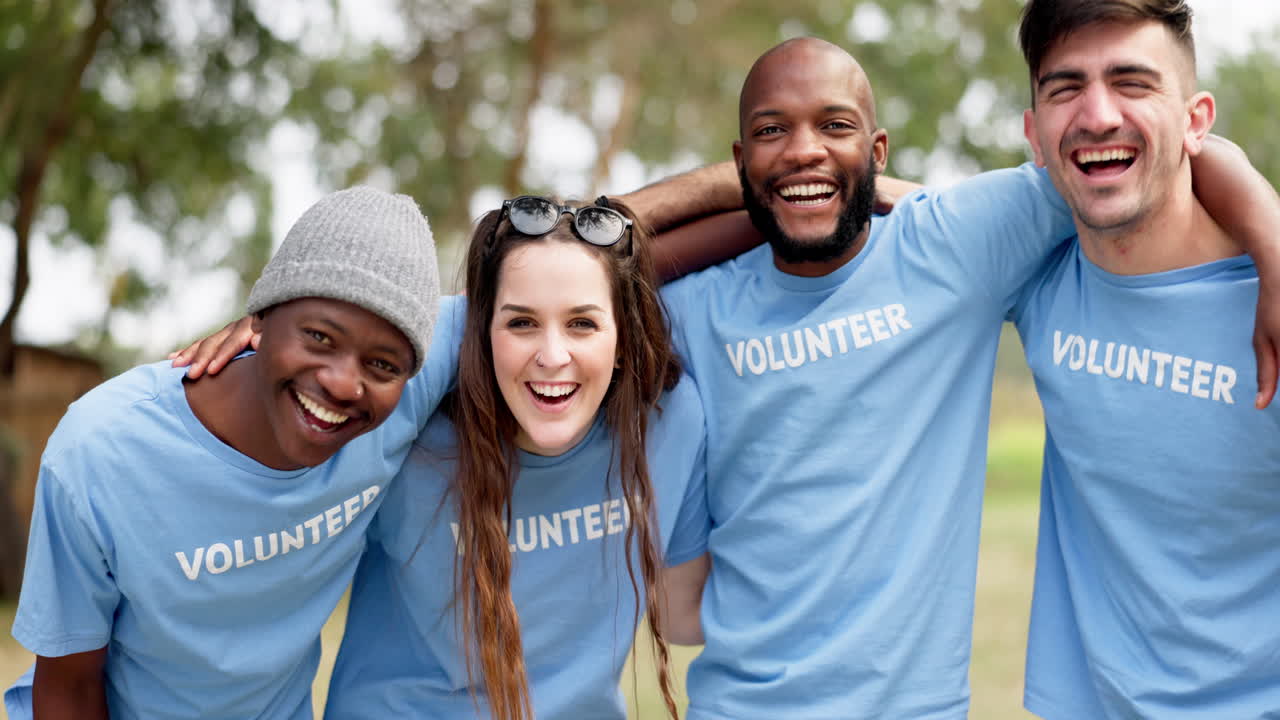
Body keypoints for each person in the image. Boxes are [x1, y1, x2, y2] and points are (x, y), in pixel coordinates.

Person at [618, 36, 1280, 719]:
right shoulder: (689, 309)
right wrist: (750, 191)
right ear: (740, 160)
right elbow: (581, 256)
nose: (804, 149)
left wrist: (1275, 248)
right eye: (771, 132)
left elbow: (1178, 149)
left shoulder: (952, 246)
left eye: (835, 126)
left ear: (877, 151)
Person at [4, 187, 463, 719]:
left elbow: (523, 299)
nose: (343, 383)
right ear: (259, 317)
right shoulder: (103, 452)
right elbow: (68, 687)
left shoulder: (399, 397)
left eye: (382, 365)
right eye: (318, 336)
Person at [314, 196, 708, 720]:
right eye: (521, 323)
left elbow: (685, 618)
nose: (552, 356)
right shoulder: (409, 431)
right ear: (480, 332)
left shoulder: (667, 422)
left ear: (622, 339)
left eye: (582, 324)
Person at [1011, 1, 1280, 717]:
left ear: (1196, 120)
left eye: (1132, 82)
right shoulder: (1034, 273)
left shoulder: (1268, 307)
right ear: (1034, 135)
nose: (1098, 115)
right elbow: (861, 210)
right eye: (1066, 88)